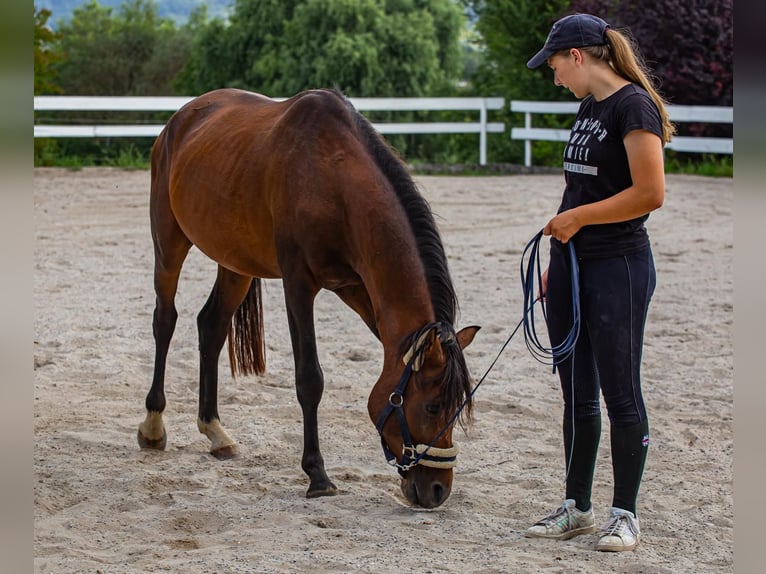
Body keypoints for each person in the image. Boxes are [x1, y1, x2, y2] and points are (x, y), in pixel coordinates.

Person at [522, 13, 675, 552]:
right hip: (574, 262)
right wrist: (556, 256)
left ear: (580, 56)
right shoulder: (589, 109)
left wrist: (579, 222)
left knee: (620, 393)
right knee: (575, 392)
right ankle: (576, 505)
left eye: (557, 65)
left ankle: (625, 514)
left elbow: (649, 193)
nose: (556, 76)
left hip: (619, 267)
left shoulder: (633, 106)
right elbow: (577, 191)